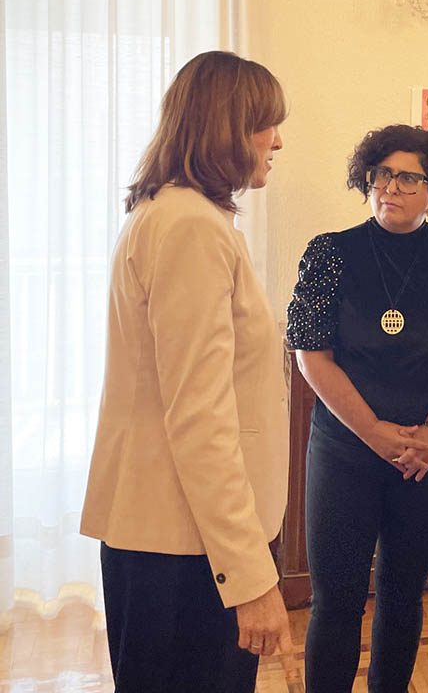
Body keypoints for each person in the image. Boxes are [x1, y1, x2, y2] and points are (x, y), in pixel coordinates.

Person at [80, 51, 292, 692]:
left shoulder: (173, 215)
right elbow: (201, 416)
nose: (277, 141)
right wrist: (249, 575)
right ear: (227, 128)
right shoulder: (190, 227)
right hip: (186, 544)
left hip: (177, 535)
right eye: (266, 126)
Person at [286, 124, 428, 692]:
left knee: (404, 594)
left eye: (410, 178)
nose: (392, 187)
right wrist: (375, 433)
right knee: (336, 598)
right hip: (344, 449)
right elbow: (313, 355)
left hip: (427, 454)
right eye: (383, 174)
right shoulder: (330, 251)